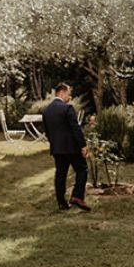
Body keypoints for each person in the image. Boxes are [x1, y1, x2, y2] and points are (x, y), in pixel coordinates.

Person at [42, 83, 90, 212]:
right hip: (72, 148)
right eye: (69, 93)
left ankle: (61, 203)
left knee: (60, 174)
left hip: (57, 149)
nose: (70, 96)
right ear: (61, 93)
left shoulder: (46, 111)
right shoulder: (67, 108)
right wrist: (83, 146)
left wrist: (55, 144)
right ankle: (77, 196)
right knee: (82, 169)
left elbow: (47, 132)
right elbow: (76, 129)